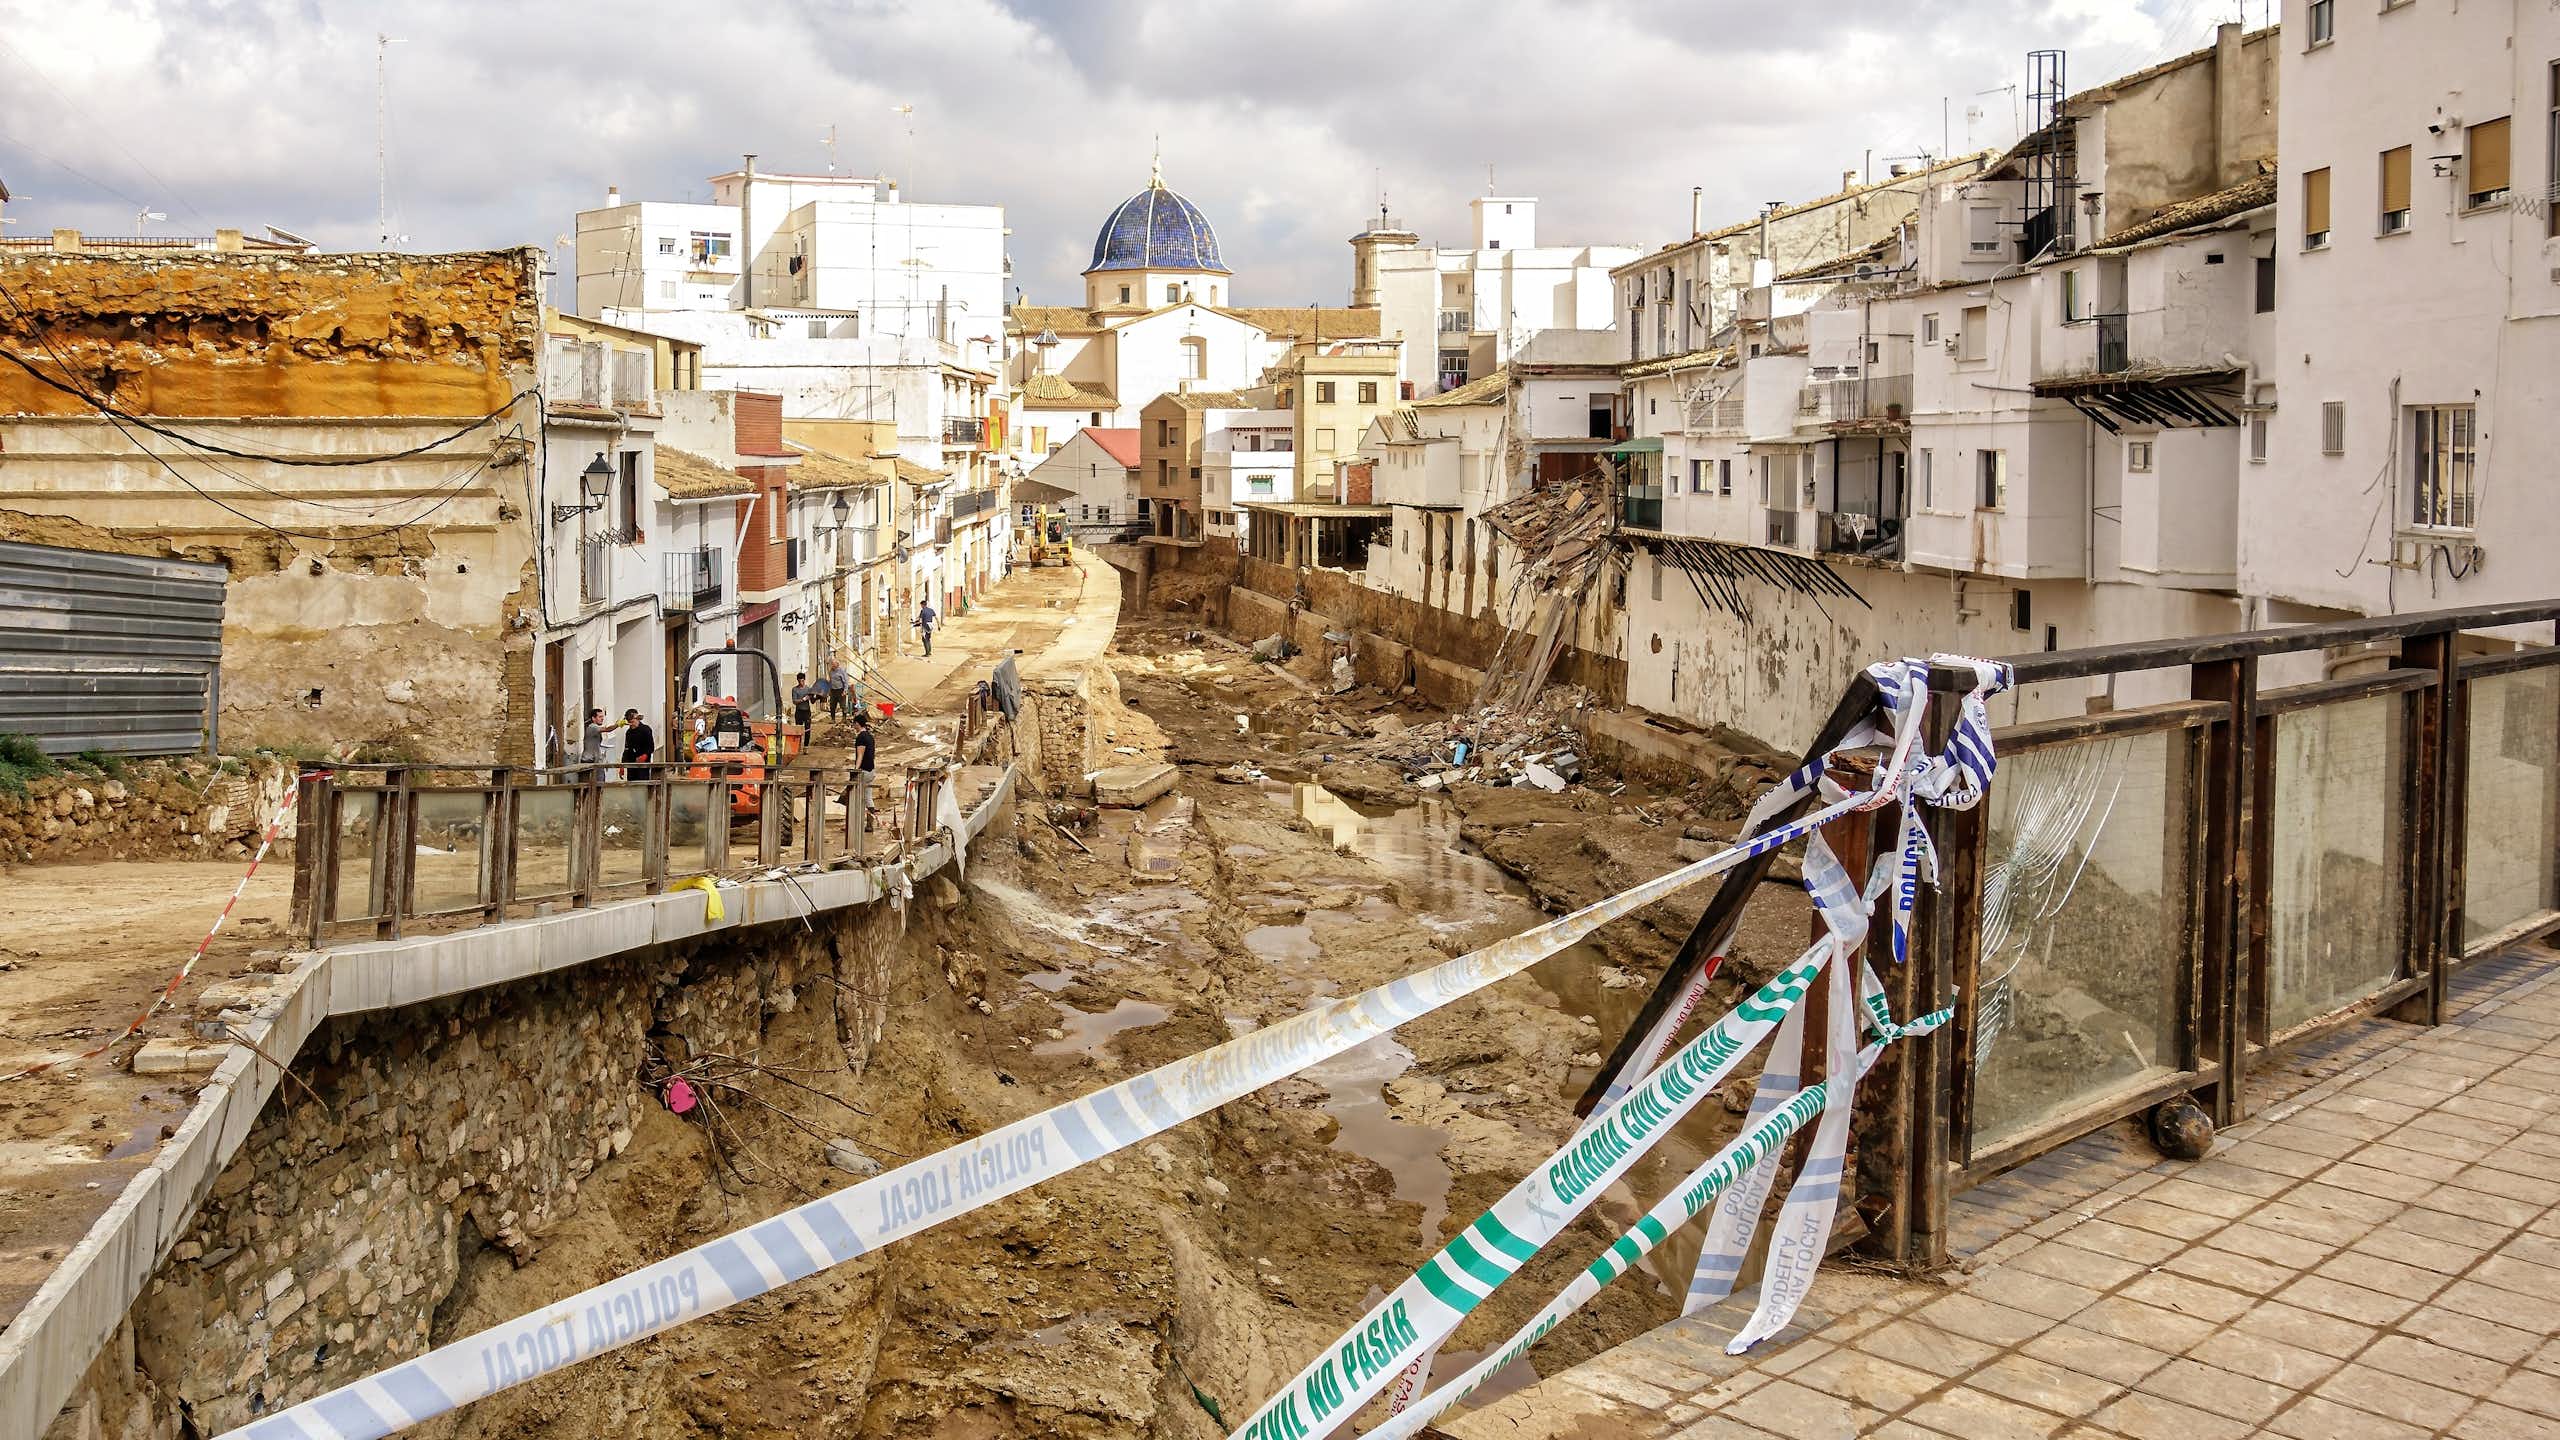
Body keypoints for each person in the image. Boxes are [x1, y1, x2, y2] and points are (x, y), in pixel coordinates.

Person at [580, 707, 624, 772]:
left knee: (600, 780)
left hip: (595, 760)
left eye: (602, 717)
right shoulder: (592, 727)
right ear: (593, 718)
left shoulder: (595, 727)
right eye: (600, 717)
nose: (602, 719)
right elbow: (607, 729)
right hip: (589, 761)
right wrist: (618, 724)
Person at [619, 708, 656, 778]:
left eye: (633, 722)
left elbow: (651, 747)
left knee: (643, 785)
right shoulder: (629, 732)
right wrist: (622, 766)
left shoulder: (646, 729)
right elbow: (626, 749)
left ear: (638, 719)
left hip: (643, 765)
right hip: (631, 764)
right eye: (630, 723)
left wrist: (645, 755)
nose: (632, 725)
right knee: (632, 786)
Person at [789, 672, 818, 736]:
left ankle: (806, 745)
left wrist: (816, 697)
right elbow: (794, 701)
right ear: (797, 681)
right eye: (799, 681)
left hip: (807, 711)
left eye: (802, 681)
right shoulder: (795, 689)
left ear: (804, 680)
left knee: (807, 729)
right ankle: (798, 744)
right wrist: (803, 699)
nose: (801, 683)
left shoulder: (808, 689)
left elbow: (812, 701)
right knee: (798, 730)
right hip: (799, 711)